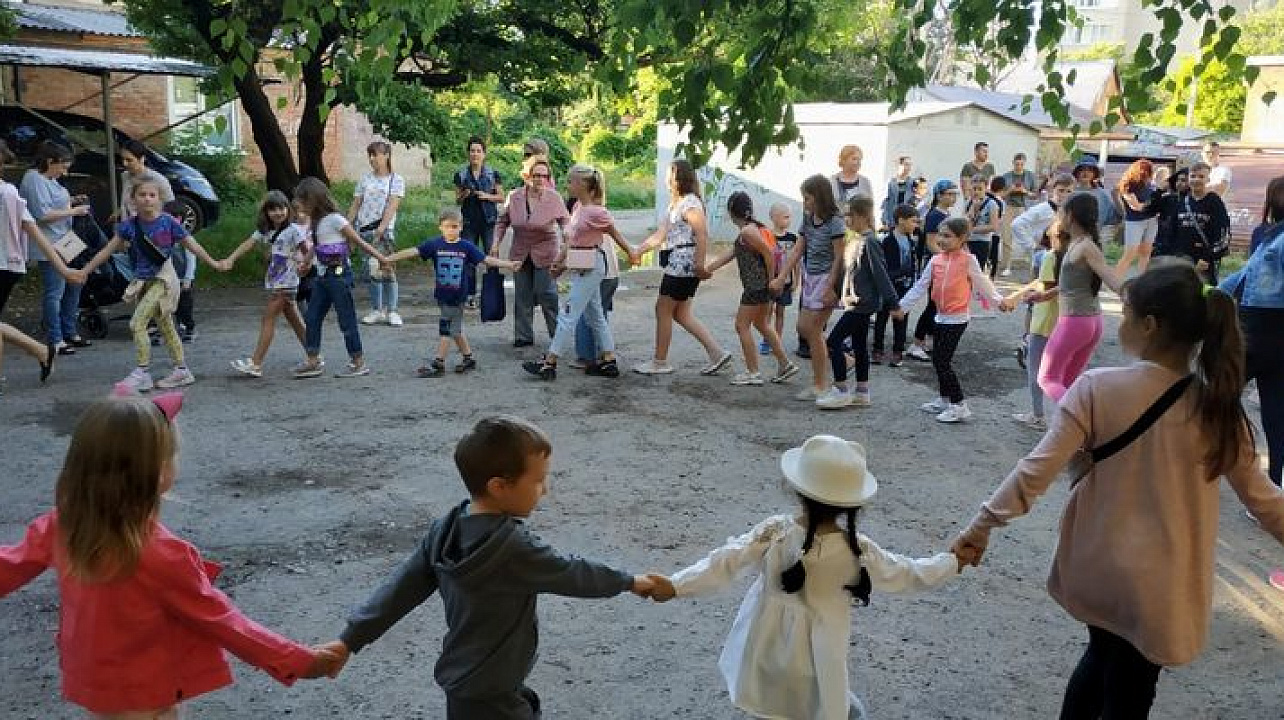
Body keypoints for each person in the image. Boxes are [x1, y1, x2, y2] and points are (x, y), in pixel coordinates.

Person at [953, 263, 1284, 717]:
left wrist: (982, 525)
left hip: (1099, 569)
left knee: (1101, 656)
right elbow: (1265, 502)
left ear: (1149, 325)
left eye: (1126, 314)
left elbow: (1036, 469)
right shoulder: (1218, 408)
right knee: (1130, 688)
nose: (1120, 322)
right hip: (1160, 587)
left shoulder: (1098, 388)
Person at [0, 393, 337, 717]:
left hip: (98, 686)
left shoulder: (63, 525)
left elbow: (7, 566)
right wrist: (300, 660)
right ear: (159, 473)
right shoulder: (162, 554)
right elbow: (226, 623)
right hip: (148, 695)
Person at [319, 415, 661, 719]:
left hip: (466, 681)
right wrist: (630, 581)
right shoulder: (514, 548)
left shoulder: (448, 527)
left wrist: (350, 639)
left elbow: (399, 589)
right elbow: (574, 573)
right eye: (538, 480)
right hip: (493, 687)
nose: (545, 490)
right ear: (499, 486)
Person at [648, 434, 962, 720]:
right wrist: (954, 561)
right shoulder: (858, 551)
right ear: (853, 505)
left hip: (766, 652)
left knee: (770, 707)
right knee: (831, 708)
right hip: (820, 661)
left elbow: (723, 562)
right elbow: (911, 573)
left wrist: (675, 585)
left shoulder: (775, 534)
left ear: (797, 490)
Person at [80, 179, 228, 391]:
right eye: (142, 195)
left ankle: (142, 371)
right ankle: (182, 370)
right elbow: (107, 251)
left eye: (152, 195)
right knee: (166, 326)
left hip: (164, 281)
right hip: (143, 283)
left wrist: (214, 263)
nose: (147, 199)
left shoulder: (168, 223)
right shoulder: (129, 226)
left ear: (159, 199)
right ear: (133, 200)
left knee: (136, 323)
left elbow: (192, 245)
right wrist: (84, 271)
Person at [895, 217, 1016, 423]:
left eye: (947, 236)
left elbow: (982, 283)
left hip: (957, 319)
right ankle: (944, 399)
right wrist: (902, 307)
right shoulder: (935, 260)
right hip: (940, 317)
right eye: (940, 235)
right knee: (938, 360)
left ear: (962, 239)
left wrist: (998, 301)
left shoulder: (969, 260)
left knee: (942, 361)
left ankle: (959, 405)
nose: (941, 240)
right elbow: (920, 286)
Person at [520, 165, 634, 381]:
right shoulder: (578, 208)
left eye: (571, 181)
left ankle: (550, 361)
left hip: (592, 264)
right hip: (583, 263)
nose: (567, 184)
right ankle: (609, 360)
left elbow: (614, 234)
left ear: (582, 185)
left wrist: (631, 252)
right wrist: (559, 262)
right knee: (595, 314)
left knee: (569, 312)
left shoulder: (597, 212)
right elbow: (571, 240)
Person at [382, 208, 518, 378]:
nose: (451, 230)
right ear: (440, 227)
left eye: (455, 226)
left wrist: (508, 264)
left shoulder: (466, 246)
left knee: (446, 329)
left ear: (461, 227)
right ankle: (468, 358)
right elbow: (413, 251)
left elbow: (486, 260)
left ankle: (439, 363)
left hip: (458, 296)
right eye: (447, 226)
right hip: (442, 294)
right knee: (455, 330)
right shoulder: (435, 244)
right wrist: (389, 258)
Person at [630, 159, 731, 375]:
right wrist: (638, 250)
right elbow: (660, 235)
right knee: (682, 314)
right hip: (680, 262)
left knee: (663, 309)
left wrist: (699, 264)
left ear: (678, 178)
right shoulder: (677, 204)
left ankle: (660, 361)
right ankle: (717, 353)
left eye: (669, 175)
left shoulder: (690, 204)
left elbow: (702, 234)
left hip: (683, 264)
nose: (666, 179)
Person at [284, 177, 389, 379]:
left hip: (339, 276)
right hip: (322, 277)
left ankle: (358, 362)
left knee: (346, 319)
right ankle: (313, 360)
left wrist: (381, 258)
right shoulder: (317, 222)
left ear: (314, 199)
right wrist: (306, 262)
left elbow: (357, 241)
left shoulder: (335, 220)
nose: (299, 205)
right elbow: (316, 245)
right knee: (313, 317)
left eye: (303, 200)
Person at [1, 141, 85, 392]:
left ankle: (46, 348)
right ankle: (42, 350)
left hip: (5, 265)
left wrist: (63, 268)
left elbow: (35, 231)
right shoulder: (26, 183)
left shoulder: (7, 194)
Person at [1219, 175, 1284, 488]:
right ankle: (1268, 481)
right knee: (1228, 395)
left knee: (1219, 396)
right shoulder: (1264, 233)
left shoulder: (1269, 234)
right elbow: (1244, 275)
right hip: (1258, 328)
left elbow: (1245, 277)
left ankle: (1270, 482)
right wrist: (1209, 293)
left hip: (1260, 330)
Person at [1029, 193, 1124, 402]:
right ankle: (1075, 429)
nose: (1057, 215)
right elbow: (1070, 284)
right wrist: (1045, 295)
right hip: (1088, 322)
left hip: (1076, 322)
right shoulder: (1077, 243)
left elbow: (1107, 275)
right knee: (1067, 384)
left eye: (1061, 211)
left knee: (1047, 379)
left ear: (1070, 215)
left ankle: (1083, 420)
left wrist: (1129, 294)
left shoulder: (1086, 246)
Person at [703, 191, 797, 386]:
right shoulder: (750, 230)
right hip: (760, 286)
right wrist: (708, 269)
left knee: (741, 325)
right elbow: (732, 253)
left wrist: (772, 281)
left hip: (756, 286)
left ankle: (753, 371)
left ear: (731, 212)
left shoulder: (748, 232)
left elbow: (769, 254)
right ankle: (785, 364)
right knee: (762, 325)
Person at [817, 196, 899, 410]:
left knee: (833, 342)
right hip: (855, 302)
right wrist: (836, 292)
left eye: (850, 215)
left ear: (862, 216)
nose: (847, 219)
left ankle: (841, 389)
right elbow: (849, 272)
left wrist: (893, 302)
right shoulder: (855, 239)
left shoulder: (869, 241)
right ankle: (862, 392)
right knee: (860, 346)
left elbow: (880, 274)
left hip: (863, 304)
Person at [221, 190, 312, 378]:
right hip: (275, 281)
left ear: (288, 209)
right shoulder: (266, 231)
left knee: (268, 319)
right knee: (295, 321)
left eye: (281, 208)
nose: (278, 212)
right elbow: (249, 243)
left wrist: (304, 265)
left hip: (286, 283)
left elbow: (307, 251)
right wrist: (231, 259)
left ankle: (256, 363)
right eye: (273, 209)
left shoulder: (294, 230)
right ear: (266, 212)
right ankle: (315, 354)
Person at [770, 174, 846, 399]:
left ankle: (820, 385)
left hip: (828, 279)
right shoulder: (808, 217)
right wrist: (781, 276)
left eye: (808, 198)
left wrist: (831, 287)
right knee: (804, 328)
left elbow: (839, 258)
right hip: (811, 277)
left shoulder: (835, 222)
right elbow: (797, 250)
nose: (805, 203)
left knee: (813, 330)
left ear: (820, 197)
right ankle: (844, 360)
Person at [20, 141, 91, 356]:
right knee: (55, 291)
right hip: (48, 243)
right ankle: (56, 338)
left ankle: (69, 330)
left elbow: (53, 203)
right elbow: (41, 215)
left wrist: (71, 201)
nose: (64, 171)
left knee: (76, 283)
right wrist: (74, 212)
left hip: (65, 240)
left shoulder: (48, 179)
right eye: (62, 166)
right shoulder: (34, 179)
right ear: (50, 162)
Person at [119, 139, 193, 344]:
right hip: (133, 234)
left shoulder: (157, 180)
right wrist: (123, 227)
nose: (125, 164)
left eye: (130, 160)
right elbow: (126, 204)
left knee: (164, 278)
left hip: (155, 238)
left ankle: (175, 321)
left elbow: (171, 209)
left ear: (142, 159)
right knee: (140, 279)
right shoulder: (125, 176)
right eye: (123, 159)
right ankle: (153, 323)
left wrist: (163, 235)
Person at [491, 154, 569, 348]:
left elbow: (565, 222)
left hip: (546, 251)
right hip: (520, 251)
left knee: (547, 294)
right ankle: (523, 336)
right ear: (528, 176)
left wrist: (567, 243)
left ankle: (558, 336)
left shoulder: (554, 198)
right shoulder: (514, 196)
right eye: (536, 175)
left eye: (544, 176)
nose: (540, 180)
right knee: (522, 295)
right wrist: (495, 243)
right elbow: (502, 221)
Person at [349, 141, 406, 327]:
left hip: (383, 232)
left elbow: (392, 205)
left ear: (386, 155)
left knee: (387, 269)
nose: (372, 159)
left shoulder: (396, 180)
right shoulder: (365, 179)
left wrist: (381, 228)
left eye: (376, 154)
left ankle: (392, 310)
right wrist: (347, 226)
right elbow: (356, 204)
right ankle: (377, 309)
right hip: (364, 230)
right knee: (372, 271)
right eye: (370, 155)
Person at [905, 179, 960, 363]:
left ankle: (928, 339)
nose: (953, 197)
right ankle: (917, 343)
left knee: (938, 304)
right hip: (937, 265)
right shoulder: (935, 215)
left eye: (955, 194)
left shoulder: (946, 214)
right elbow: (930, 243)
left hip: (944, 264)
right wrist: (948, 259)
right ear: (939, 195)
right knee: (933, 305)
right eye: (949, 194)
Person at [1009, 230, 1059, 431]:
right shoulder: (1080, 255)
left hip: (1044, 318)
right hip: (1066, 318)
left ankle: (1038, 415)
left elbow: (1045, 288)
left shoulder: (1050, 256)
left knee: (1036, 370)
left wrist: (1027, 295)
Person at [1153, 162, 1230, 283]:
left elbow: (1222, 233)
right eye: (1193, 176)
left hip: (1204, 262)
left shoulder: (1214, 202)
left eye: (1201, 176)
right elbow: (1171, 231)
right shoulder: (1182, 202)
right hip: (1180, 260)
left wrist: (1207, 258)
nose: (1196, 180)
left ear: (1208, 179)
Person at [455, 135, 504, 309]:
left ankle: (492, 294)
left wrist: (487, 196)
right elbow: (457, 200)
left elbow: (501, 197)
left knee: (491, 258)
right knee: (469, 259)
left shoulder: (493, 174)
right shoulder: (461, 174)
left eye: (478, 151)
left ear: (484, 154)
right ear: (468, 154)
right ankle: (470, 295)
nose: (475, 154)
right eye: (472, 151)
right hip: (469, 223)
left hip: (489, 221)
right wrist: (464, 195)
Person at [872, 204, 921, 367]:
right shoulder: (887, 241)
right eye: (913, 221)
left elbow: (914, 262)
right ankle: (877, 349)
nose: (916, 225)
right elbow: (884, 267)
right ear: (901, 220)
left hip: (905, 287)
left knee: (901, 319)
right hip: (888, 287)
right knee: (882, 318)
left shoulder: (911, 239)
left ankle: (898, 351)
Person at [762, 202, 800, 357]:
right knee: (768, 312)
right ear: (773, 218)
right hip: (770, 283)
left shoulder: (793, 238)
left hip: (786, 283)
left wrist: (796, 280)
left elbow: (796, 261)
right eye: (785, 217)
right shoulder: (767, 236)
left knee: (780, 312)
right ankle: (767, 339)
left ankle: (776, 340)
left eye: (790, 217)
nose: (789, 220)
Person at [1116, 159, 1160, 278]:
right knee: (1130, 254)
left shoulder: (1151, 185)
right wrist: (1153, 205)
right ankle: (1116, 281)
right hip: (1135, 222)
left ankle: (1142, 281)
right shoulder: (1127, 185)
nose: (1145, 174)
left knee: (1146, 252)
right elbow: (1135, 206)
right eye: (1144, 172)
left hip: (1152, 221)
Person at [999, 153, 1037, 276]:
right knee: (1006, 237)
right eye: (1017, 164)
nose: (1019, 166)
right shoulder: (1006, 177)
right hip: (1009, 207)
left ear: (1024, 163)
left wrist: (1024, 191)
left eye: (1021, 164)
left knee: (1026, 237)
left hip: (1023, 208)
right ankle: (1006, 266)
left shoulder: (1030, 176)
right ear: (1013, 163)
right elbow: (1000, 195)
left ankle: (1032, 264)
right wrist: (1010, 190)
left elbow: (1035, 194)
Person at [964, 175, 1001, 280]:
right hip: (968, 241)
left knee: (978, 272)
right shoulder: (968, 202)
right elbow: (965, 222)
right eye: (974, 189)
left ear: (986, 189)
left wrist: (973, 230)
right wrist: (973, 211)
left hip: (982, 242)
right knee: (967, 271)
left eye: (980, 189)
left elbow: (994, 226)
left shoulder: (991, 204)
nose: (976, 192)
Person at [830, 145, 874, 212]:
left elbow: (870, 209)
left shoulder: (865, 182)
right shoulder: (831, 181)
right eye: (854, 159)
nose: (858, 162)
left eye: (860, 160)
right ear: (844, 160)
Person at [880, 155, 915, 229]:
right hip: (892, 220)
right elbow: (885, 203)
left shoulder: (913, 183)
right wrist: (884, 221)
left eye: (910, 165)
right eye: (906, 164)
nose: (908, 168)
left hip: (907, 220)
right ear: (899, 165)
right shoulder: (890, 182)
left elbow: (916, 202)